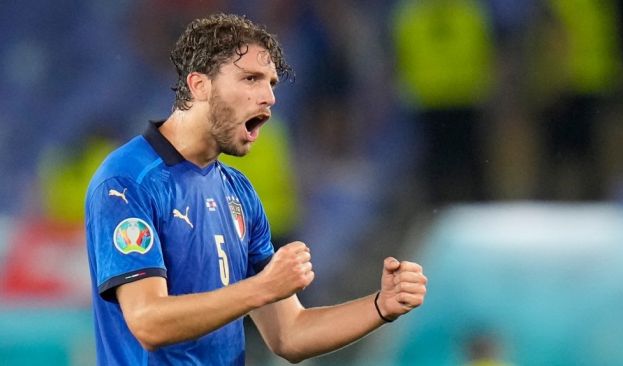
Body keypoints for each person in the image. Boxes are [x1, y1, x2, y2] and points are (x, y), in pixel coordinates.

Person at [85, 13, 427, 365]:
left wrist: (379, 306)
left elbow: (289, 334)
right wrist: (262, 287)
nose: (268, 97)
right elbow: (148, 322)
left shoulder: (238, 192)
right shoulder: (128, 181)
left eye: (271, 84)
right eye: (251, 79)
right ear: (199, 85)